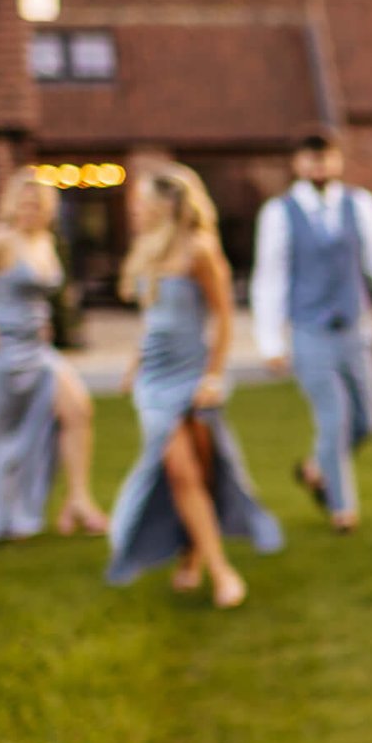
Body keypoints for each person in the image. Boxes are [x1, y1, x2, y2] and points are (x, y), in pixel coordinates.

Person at [105, 161, 282, 608]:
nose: (137, 211)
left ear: (169, 205)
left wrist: (214, 376)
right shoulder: (147, 249)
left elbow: (223, 318)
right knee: (180, 471)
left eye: (143, 202)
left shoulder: (200, 250)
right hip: (154, 380)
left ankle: (192, 555)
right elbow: (154, 320)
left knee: (199, 473)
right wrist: (135, 362)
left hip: (193, 375)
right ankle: (222, 572)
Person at [249, 129, 372, 532]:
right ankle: (342, 508)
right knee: (334, 418)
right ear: (298, 164)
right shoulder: (279, 213)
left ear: (337, 161)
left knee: (367, 422)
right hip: (310, 332)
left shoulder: (359, 206)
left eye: (325, 157)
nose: (319, 166)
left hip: (356, 329)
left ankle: (315, 466)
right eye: (310, 158)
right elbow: (269, 279)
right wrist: (271, 341)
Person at [0, 175, 107, 541]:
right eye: (24, 203)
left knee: (78, 410)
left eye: (38, 204)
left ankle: (78, 500)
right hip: (0, 350)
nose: (30, 210)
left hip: (37, 348)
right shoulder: (1, 238)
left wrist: (46, 323)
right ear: (12, 204)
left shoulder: (45, 241)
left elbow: (42, 293)